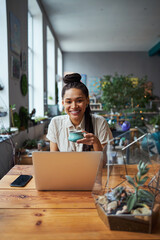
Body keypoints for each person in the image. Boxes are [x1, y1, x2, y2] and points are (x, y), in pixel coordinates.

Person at [46, 73, 112, 153]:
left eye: (79, 101)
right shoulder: (55, 123)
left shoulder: (100, 122)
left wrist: (96, 142)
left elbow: (106, 160)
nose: (74, 106)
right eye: (69, 102)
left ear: (87, 100)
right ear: (63, 103)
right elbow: (53, 159)